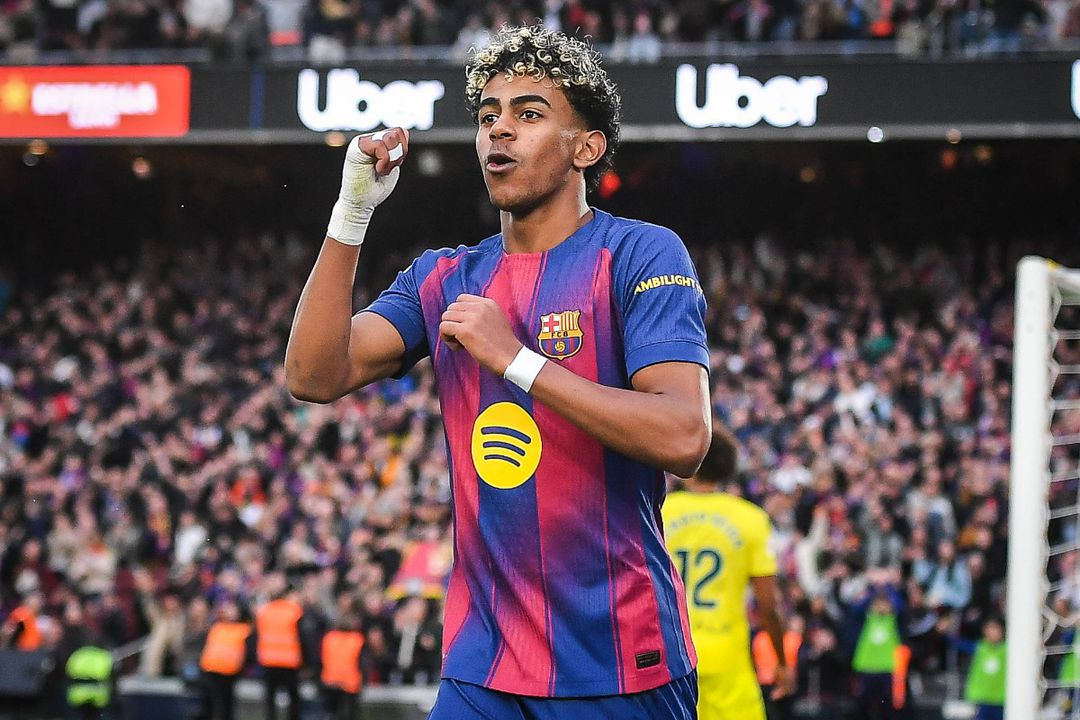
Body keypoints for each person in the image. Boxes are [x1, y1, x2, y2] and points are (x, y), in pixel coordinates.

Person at [286, 22, 710, 720]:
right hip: (482, 666)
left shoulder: (642, 253)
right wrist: (351, 212)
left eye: (528, 114)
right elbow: (312, 375)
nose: (499, 130)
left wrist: (516, 360)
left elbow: (684, 436)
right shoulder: (444, 276)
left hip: (621, 663)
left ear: (586, 148)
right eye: (488, 116)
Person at [661, 424, 795, 720]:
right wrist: (782, 662)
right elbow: (768, 606)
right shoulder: (750, 518)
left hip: (671, 656)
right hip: (727, 659)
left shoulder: (660, 511)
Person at [254, 581, 306, 720]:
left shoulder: (263, 611)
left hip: (268, 661)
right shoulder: (294, 611)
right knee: (293, 700)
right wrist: (306, 662)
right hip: (290, 661)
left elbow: (256, 636)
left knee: (270, 701)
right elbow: (303, 637)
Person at [199, 599, 251, 720]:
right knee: (209, 706)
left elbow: (249, 653)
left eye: (232, 609)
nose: (228, 612)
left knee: (226, 706)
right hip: (210, 671)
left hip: (230, 674)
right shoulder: (216, 627)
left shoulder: (244, 629)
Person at [320, 614, 365, 720]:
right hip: (351, 683)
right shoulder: (357, 639)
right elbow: (362, 663)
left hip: (330, 680)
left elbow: (321, 659)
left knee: (331, 713)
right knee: (350, 714)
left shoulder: (329, 638)